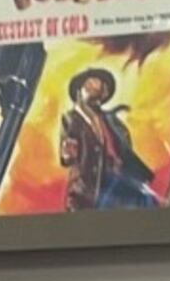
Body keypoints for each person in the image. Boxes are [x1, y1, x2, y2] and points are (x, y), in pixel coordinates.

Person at [57, 65, 160, 211]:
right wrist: (69, 150)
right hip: (92, 187)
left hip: (118, 177)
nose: (96, 89)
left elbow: (124, 147)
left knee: (147, 199)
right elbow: (67, 158)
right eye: (90, 85)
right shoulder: (72, 118)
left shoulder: (111, 120)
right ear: (80, 91)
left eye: (99, 86)